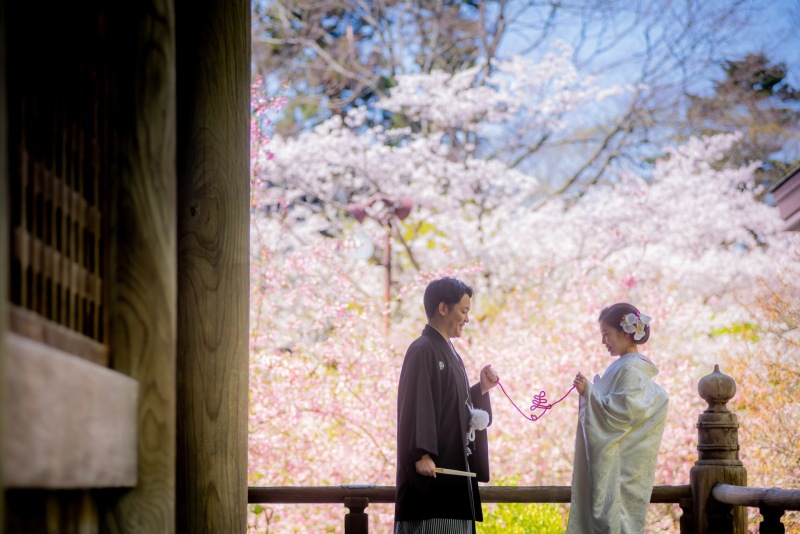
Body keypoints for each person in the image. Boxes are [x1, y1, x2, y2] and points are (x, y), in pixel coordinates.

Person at [395, 277, 499, 534]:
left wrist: (481, 390)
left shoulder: (450, 352)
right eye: (463, 311)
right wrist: (422, 454)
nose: (467, 319)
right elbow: (418, 402)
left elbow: (453, 405)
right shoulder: (423, 349)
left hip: (454, 477)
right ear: (443, 308)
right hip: (432, 482)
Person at [567, 303, 669, 534]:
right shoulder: (626, 367)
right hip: (626, 464)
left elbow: (622, 414)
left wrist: (589, 393)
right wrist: (591, 393)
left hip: (622, 468)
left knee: (615, 520)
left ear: (625, 331)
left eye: (606, 334)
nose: (604, 342)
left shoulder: (630, 369)